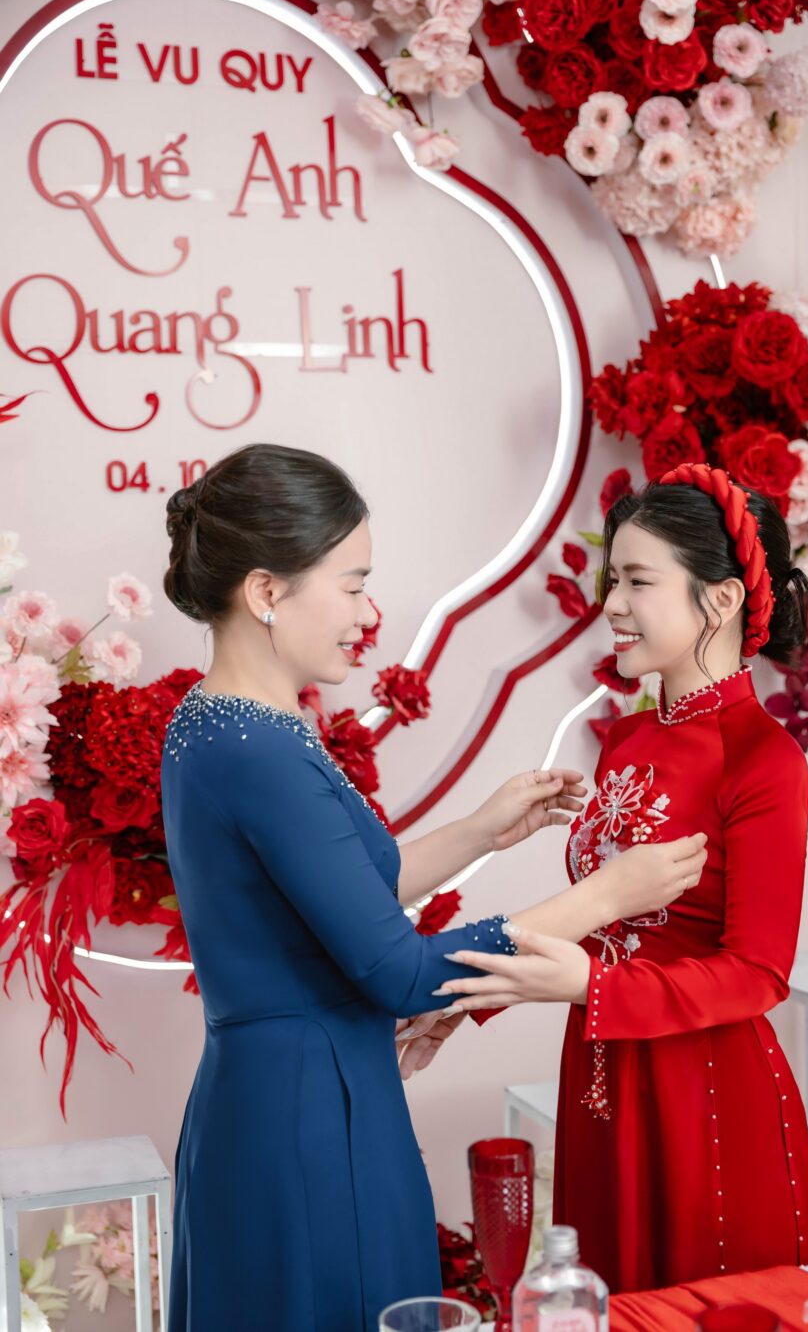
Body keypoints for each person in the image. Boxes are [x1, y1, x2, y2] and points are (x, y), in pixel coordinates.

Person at [159, 443, 707, 1330]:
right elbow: (400, 973)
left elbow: (344, 891)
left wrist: (484, 828)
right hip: (308, 1120)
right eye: (352, 586)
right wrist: (606, 897)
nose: (367, 614)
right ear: (265, 591)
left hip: (278, 1098)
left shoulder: (220, 722)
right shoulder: (256, 747)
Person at [436, 462, 808, 1291]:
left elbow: (759, 973)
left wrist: (594, 988)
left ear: (720, 599)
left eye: (638, 581)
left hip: (706, 1096)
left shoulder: (763, 760)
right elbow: (603, 920)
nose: (612, 604)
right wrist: (468, 1000)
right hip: (601, 1077)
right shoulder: (628, 739)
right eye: (613, 579)